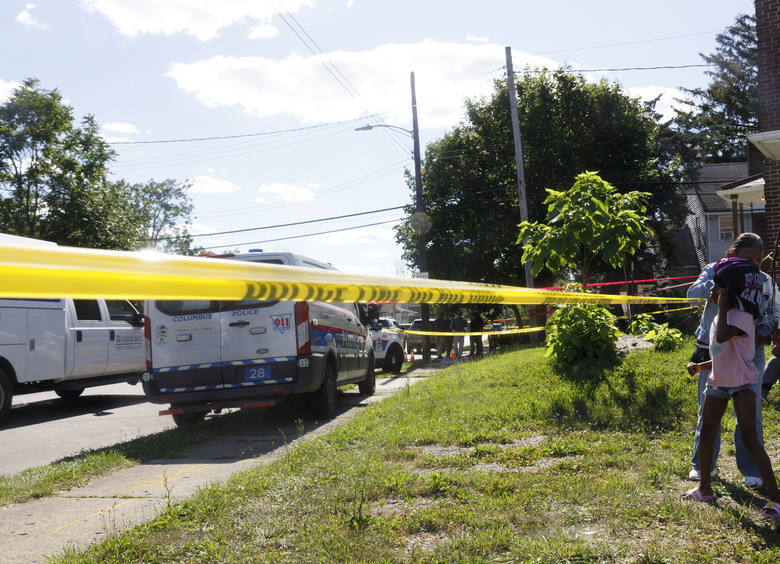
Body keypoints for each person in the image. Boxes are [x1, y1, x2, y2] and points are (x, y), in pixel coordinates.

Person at [682, 256, 780, 516]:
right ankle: (705, 488)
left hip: (742, 384)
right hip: (719, 381)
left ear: (729, 292)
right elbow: (721, 354)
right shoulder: (721, 315)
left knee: (750, 438)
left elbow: (725, 336)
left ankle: (776, 497)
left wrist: (723, 307)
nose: (712, 292)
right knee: (707, 431)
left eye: (716, 288)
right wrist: (701, 367)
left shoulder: (742, 317)